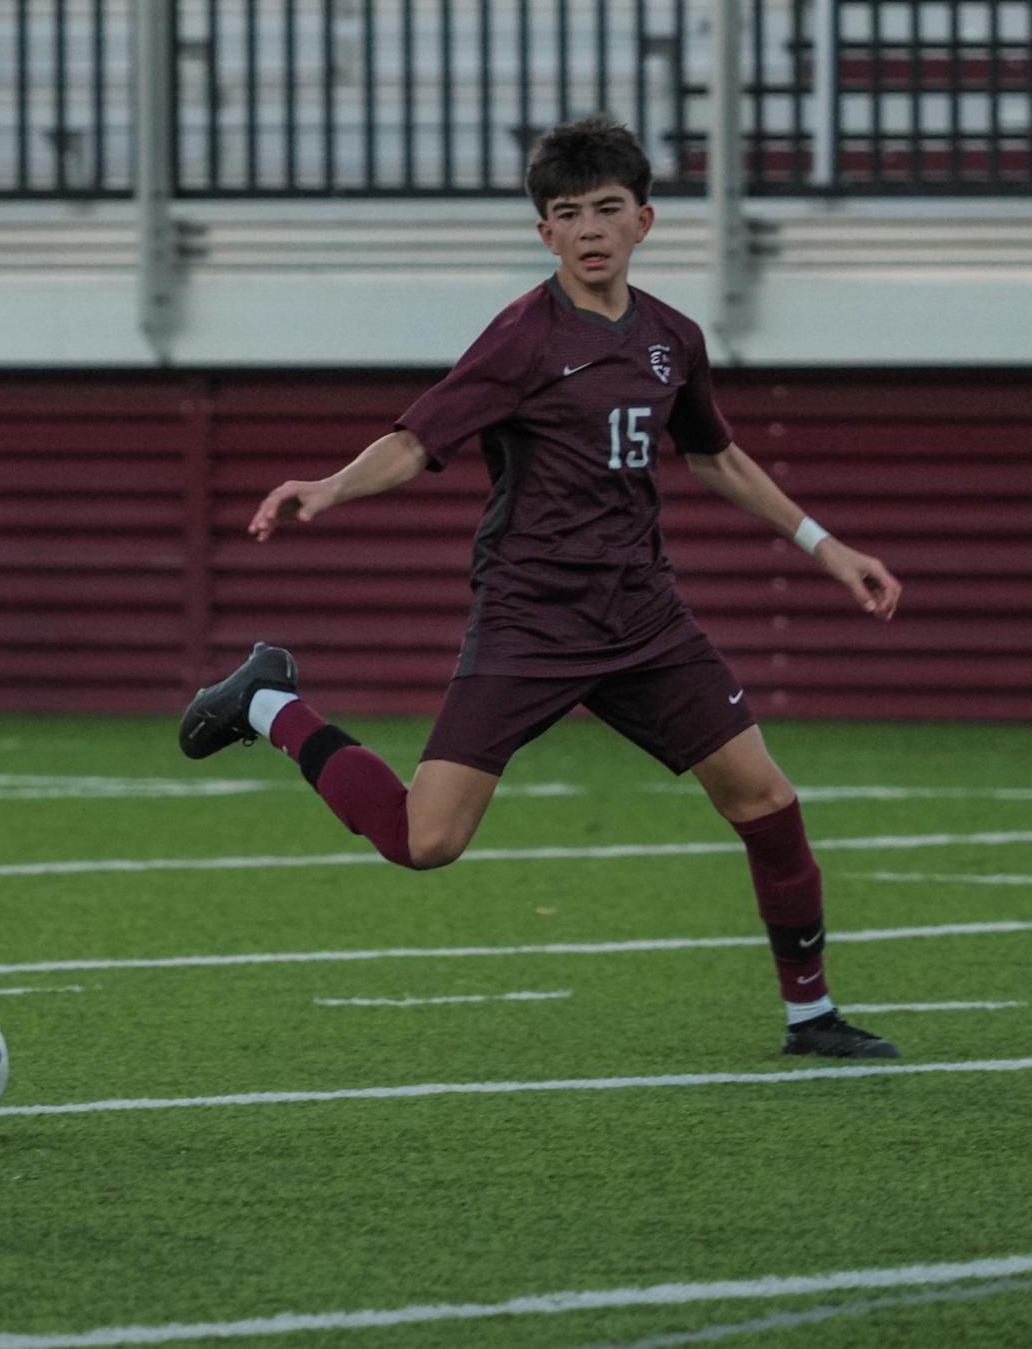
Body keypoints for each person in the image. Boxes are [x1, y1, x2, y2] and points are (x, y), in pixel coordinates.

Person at [180, 116, 906, 1061]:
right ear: (545, 234)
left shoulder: (671, 340)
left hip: (643, 617)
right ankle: (270, 700)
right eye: (568, 214)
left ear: (643, 220)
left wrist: (826, 545)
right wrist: (327, 485)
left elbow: (715, 456)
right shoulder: (522, 338)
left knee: (764, 801)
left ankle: (811, 1016)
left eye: (607, 209)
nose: (590, 229)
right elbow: (413, 440)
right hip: (530, 620)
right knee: (424, 840)